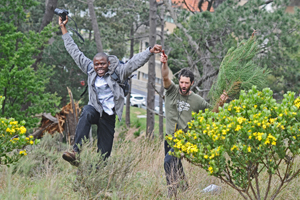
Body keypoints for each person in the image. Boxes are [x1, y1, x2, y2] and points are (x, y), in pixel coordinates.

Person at [59, 16, 162, 166]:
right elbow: (74, 51)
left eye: (102, 64)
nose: (99, 67)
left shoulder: (118, 72)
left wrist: (149, 51)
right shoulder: (89, 69)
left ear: (108, 63)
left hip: (109, 115)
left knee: (104, 156)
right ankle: (75, 151)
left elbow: (133, 63)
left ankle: (98, 176)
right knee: (86, 111)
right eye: (96, 65)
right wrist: (63, 28)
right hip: (95, 109)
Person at [160, 52, 227, 197]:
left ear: (192, 83)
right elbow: (165, 76)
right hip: (169, 138)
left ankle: (172, 193)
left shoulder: (197, 100)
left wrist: (220, 103)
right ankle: (185, 191)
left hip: (183, 140)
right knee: (175, 165)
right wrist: (164, 63)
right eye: (181, 82)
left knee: (168, 162)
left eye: (186, 83)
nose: (183, 86)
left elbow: (212, 113)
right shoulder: (171, 91)